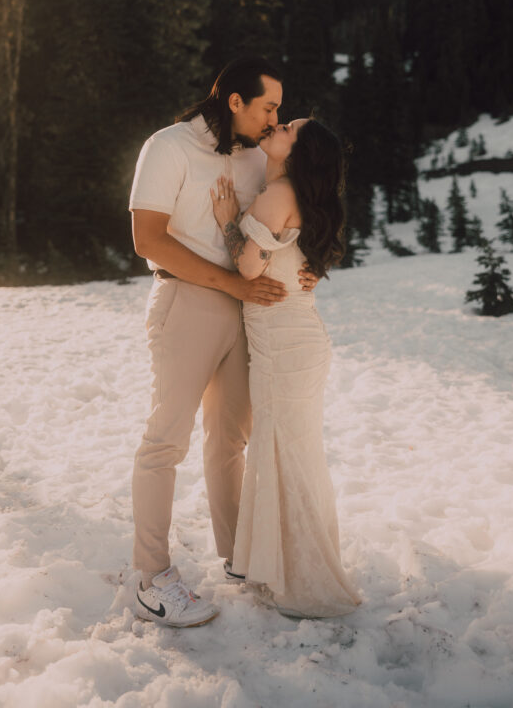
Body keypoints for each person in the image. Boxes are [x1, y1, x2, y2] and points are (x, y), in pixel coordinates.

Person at [128, 56, 317, 627]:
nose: (274, 118)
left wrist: (304, 267)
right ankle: (151, 577)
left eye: (277, 110)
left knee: (230, 441)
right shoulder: (169, 146)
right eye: (268, 107)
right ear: (234, 100)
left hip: (247, 310)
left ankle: (241, 558)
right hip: (186, 302)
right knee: (166, 441)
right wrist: (231, 283)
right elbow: (147, 240)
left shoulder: (261, 155)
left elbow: (277, 222)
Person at [211, 117, 362, 618]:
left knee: (286, 455)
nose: (278, 123)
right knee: (292, 454)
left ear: (298, 151)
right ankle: (291, 564)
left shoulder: (278, 192)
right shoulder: (288, 189)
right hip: (296, 340)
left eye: (289, 126)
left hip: (283, 346)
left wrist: (229, 221)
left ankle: (304, 577)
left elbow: (249, 268)